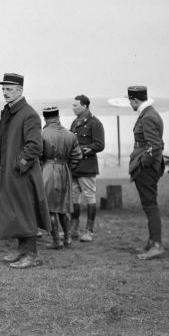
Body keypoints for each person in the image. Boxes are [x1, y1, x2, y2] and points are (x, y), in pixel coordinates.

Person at [0, 73, 51, 269]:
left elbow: (35, 146)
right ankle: (21, 250)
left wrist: (20, 164)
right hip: (10, 172)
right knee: (15, 212)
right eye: (3, 89)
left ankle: (31, 254)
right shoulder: (9, 112)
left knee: (26, 212)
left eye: (9, 89)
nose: (5, 93)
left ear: (20, 90)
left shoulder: (29, 114)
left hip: (22, 173)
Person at [128, 86, 165, 259]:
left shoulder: (148, 116)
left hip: (146, 168)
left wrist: (143, 163)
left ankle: (156, 245)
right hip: (148, 166)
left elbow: (154, 145)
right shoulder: (150, 113)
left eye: (130, 100)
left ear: (135, 100)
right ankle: (152, 243)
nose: (130, 104)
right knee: (148, 205)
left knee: (150, 205)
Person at [41, 106, 82, 249]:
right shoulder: (70, 134)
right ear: (58, 117)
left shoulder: (42, 134)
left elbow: (38, 156)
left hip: (47, 170)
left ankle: (56, 241)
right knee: (64, 207)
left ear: (45, 118)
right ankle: (68, 238)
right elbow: (77, 156)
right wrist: (69, 168)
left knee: (51, 208)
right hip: (65, 171)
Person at [69, 95, 105, 242]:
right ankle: (74, 229)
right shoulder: (75, 122)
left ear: (85, 106)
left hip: (87, 166)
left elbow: (99, 144)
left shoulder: (94, 123)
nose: (73, 108)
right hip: (74, 167)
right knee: (73, 197)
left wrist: (81, 150)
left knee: (89, 197)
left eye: (76, 105)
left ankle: (89, 231)